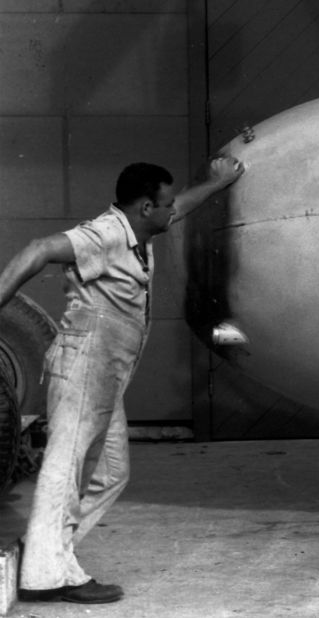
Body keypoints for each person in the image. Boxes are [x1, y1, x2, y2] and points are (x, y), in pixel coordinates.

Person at [0, 157, 244, 604]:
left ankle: (52, 554)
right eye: (165, 206)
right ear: (146, 206)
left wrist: (217, 182)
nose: (173, 211)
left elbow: (183, 204)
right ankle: (47, 574)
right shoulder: (107, 233)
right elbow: (38, 249)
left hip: (107, 372)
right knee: (63, 467)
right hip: (84, 364)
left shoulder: (141, 228)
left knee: (111, 472)